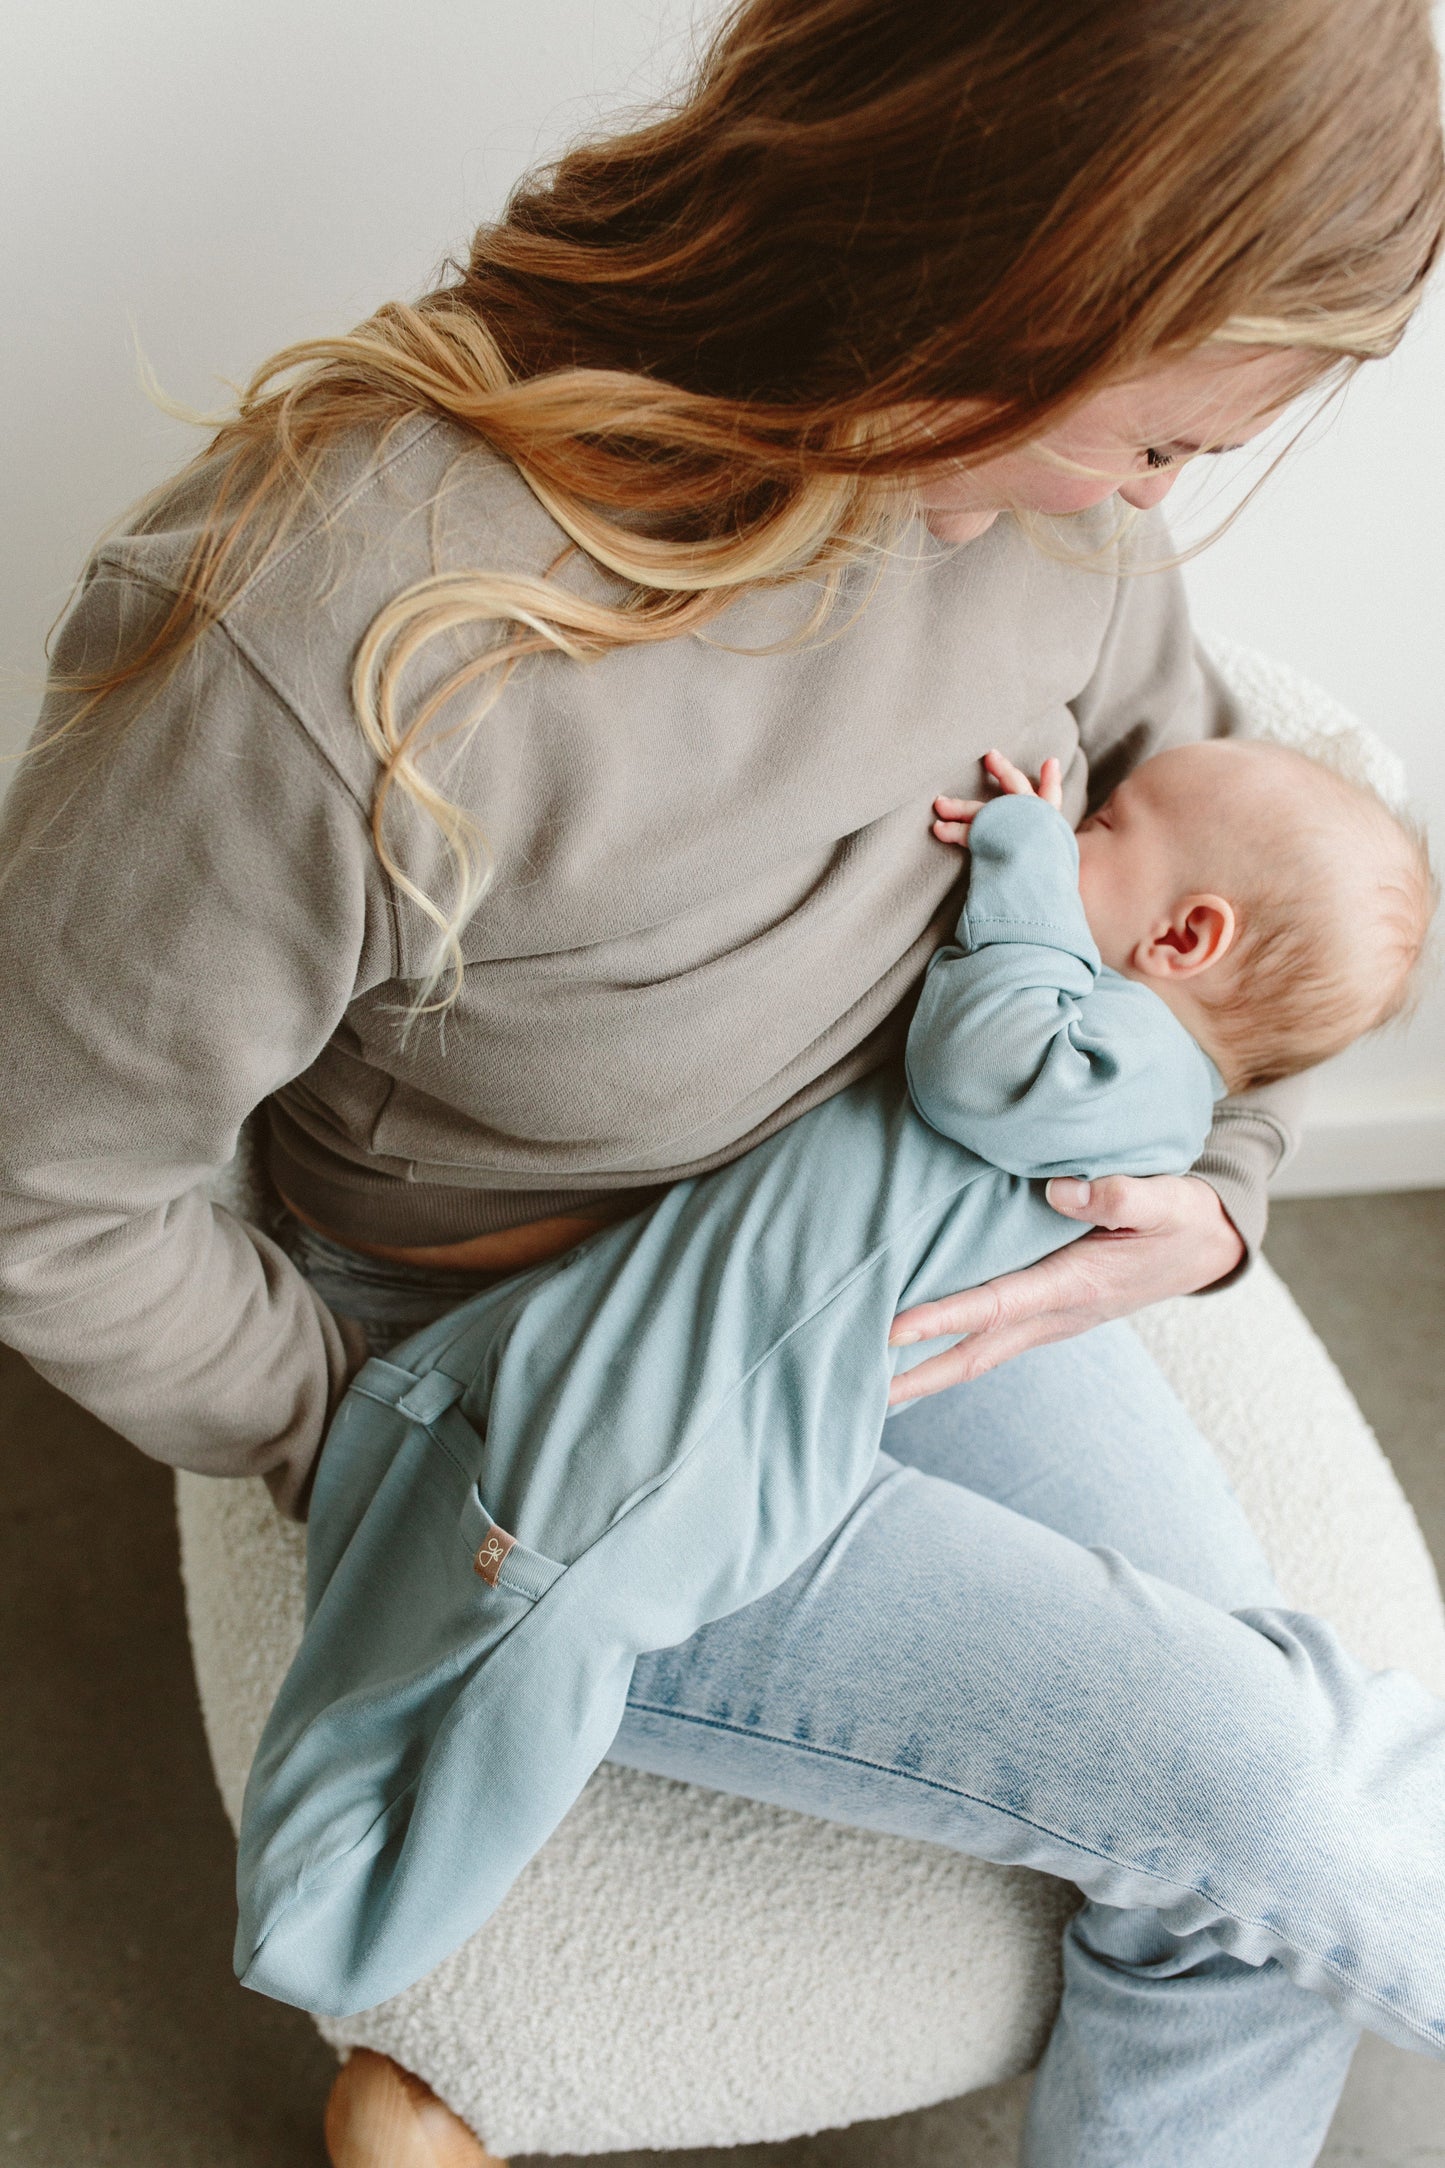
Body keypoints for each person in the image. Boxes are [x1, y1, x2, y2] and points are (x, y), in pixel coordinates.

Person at [1, 0, 1442, 2157]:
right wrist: (357, 1437)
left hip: (918, 1226)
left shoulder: (1049, 529)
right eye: (1153, 443)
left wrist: (1215, 1183)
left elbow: (1226, 827)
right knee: (1270, 1793)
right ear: (1005, 283)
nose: (1146, 511)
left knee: (1272, 1834)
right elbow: (44, 1180)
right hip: (577, 1373)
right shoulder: (335, 633)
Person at [234, 737, 1437, 2019]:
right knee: (466, 1617)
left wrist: (1026, 857)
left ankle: (336, 1920)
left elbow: (979, 1058)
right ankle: (343, 1877)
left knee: (536, 1629)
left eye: (1101, 826)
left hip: (716, 1431)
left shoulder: (1131, 1066)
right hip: (682, 1349)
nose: (1066, 817)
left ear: (1184, 937)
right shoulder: (1116, 1025)